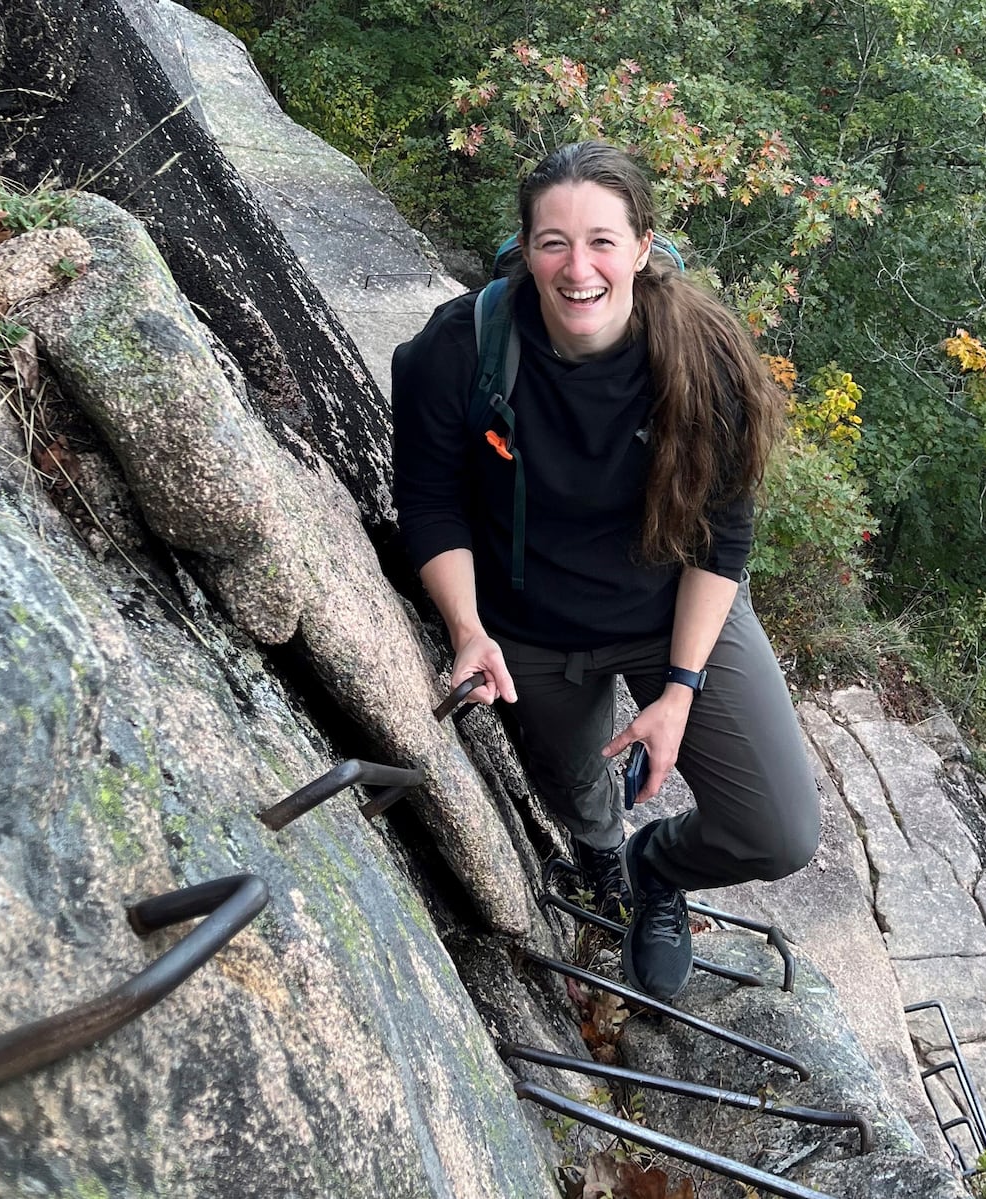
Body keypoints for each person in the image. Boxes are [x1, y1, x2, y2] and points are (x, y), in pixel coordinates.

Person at [391, 141, 819, 1000]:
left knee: (780, 830)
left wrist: (681, 691)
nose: (576, 267)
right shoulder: (459, 348)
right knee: (577, 785)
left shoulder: (706, 364)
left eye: (601, 241)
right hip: (528, 630)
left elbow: (720, 541)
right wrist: (469, 629)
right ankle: (604, 862)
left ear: (644, 248)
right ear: (524, 250)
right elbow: (430, 503)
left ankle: (655, 867)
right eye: (553, 241)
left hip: (668, 612)